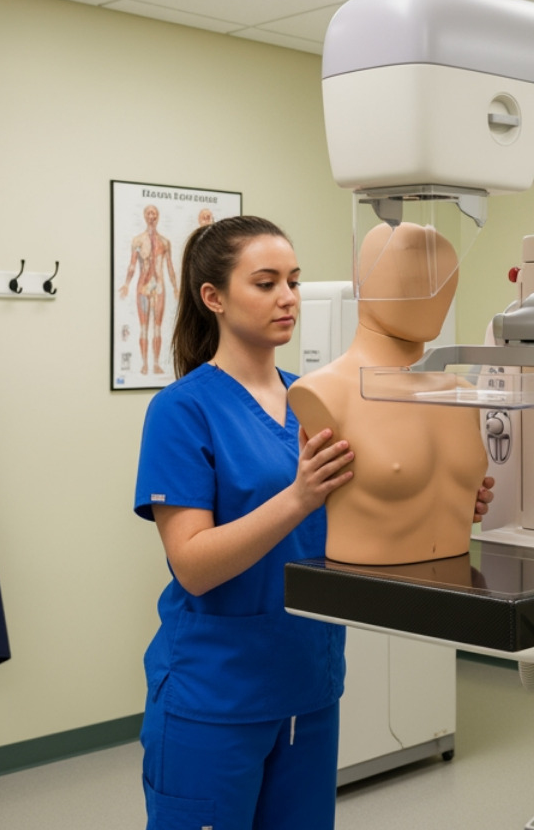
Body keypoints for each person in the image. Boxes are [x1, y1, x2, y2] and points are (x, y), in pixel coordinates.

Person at [133, 215, 491, 829]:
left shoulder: (314, 395)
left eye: (293, 281)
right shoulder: (182, 410)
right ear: (213, 298)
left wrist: (446, 505)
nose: (288, 298)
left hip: (309, 685)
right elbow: (192, 565)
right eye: (266, 283)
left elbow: (355, 522)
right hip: (214, 693)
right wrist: (298, 498)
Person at [290, 222, 488, 566]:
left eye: (443, 280)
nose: (430, 292)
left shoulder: (462, 394)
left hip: (457, 580)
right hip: (369, 585)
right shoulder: (323, 392)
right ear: (362, 281)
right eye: (411, 275)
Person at [119, 204, 177, 376]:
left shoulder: (165, 242)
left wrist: (175, 287)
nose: (152, 216)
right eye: (149, 213)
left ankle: (156, 364)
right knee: (144, 327)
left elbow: (170, 267)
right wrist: (126, 284)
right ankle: (145, 364)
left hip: (159, 287)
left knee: (157, 327)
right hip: (143, 287)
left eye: (154, 213)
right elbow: (132, 265)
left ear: (158, 216)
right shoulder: (138, 241)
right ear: (145, 216)